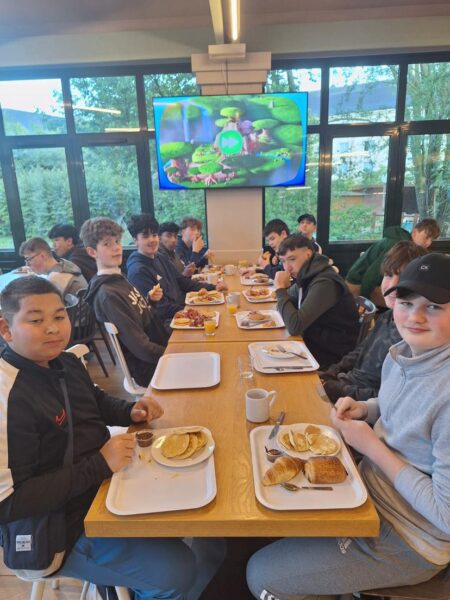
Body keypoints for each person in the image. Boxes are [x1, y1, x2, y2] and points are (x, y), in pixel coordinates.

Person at [0, 276, 224, 599]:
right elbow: (9, 504)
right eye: (36, 320)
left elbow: (95, 401)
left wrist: (131, 411)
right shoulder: (7, 395)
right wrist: (99, 465)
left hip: (106, 484)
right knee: (177, 571)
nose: (52, 328)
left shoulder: (65, 362)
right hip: (58, 529)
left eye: (59, 316)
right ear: (6, 329)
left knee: (202, 501)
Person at [247, 253, 450, 599]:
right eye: (406, 303)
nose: (414, 316)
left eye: (433, 307)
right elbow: (403, 411)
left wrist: (371, 445)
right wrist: (366, 409)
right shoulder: (402, 353)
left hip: (410, 537)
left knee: (261, 576)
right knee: (267, 516)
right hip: (365, 490)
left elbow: (445, 516)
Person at [320, 241, 427, 402]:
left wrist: (335, 388)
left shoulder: (413, 336)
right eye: (388, 275)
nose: (392, 285)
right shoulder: (386, 317)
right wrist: (332, 372)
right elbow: (360, 352)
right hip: (347, 385)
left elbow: (388, 398)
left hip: (359, 403)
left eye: (403, 278)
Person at [80, 217, 169, 387]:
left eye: (117, 241)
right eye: (107, 244)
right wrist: (174, 352)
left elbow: (138, 317)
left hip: (159, 347)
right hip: (149, 367)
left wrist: (150, 302)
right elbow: (142, 348)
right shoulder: (108, 294)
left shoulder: (118, 278)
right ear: (92, 252)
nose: (116, 248)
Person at [126, 214, 227, 333]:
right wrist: (193, 311)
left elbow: (182, 282)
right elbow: (161, 309)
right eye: (145, 236)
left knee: (223, 317)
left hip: (181, 310)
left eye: (154, 235)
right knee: (218, 330)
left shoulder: (159, 257)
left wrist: (214, 287)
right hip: (167, 325)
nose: (152, 240)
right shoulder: (138, 271)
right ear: (135, 240)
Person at [274, 234, 359, 368]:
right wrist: (282, 294)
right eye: (283, 261)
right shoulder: (307, 275)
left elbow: (295, 327)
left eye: (292, 259)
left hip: (330, 356)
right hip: (313, 345)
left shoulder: (325, 282)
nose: (287, 268)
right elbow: (284, 302)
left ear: (308, 254)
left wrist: (280, 289)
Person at [345, 218, 440, 305]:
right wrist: (365, 303)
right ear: (415, 232)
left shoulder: (407, 246)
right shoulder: (397, 246)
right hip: (357, 284)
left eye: (431, 240)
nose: (428, 243)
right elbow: (370, 277)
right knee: (404, 301)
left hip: (368, 283)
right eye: (426, 237)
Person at [19, 237, 88, 298]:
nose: (27, 264)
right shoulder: (64, 264)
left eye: (29, 259)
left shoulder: (56, 278)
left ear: (42, 256)